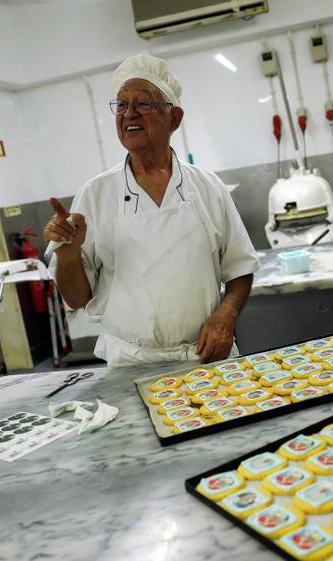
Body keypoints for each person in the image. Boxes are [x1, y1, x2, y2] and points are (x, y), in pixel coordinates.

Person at [44, 54, 259, 367]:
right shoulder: (95, 195)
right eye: (121, 104)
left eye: (143, 103)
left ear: (174, 119)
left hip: (206, 357)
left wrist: (225, 317)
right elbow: (77, 299)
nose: (129, 113)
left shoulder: (208, 188)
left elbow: (239, 268)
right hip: (131, 362)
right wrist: (67, 256)